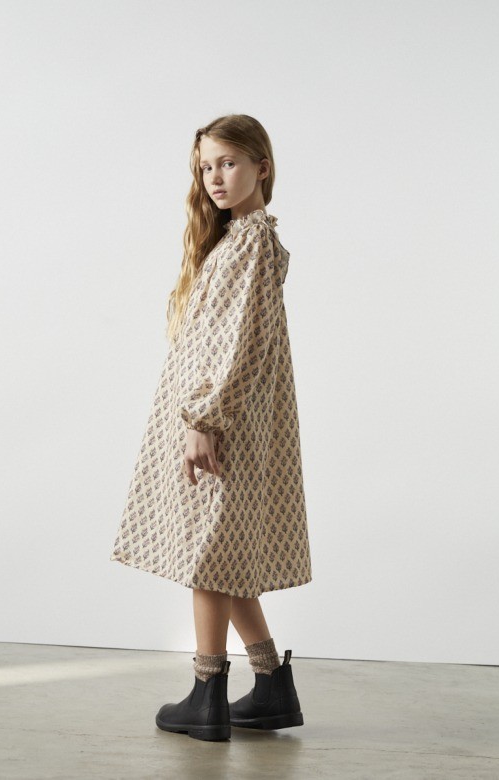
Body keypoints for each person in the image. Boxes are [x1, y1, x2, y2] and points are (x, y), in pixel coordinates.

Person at [109, 113, 313, 741]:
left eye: (228, 162)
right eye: (205, 167)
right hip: (226, 417)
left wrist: (203, 419)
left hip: (223, 422)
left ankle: (207, 696)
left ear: (261, 167)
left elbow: (236, 344)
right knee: (223, 556)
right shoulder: (241, 239)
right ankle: (272, 685)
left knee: (207, 559)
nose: (215, 177)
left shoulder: (250, 243)